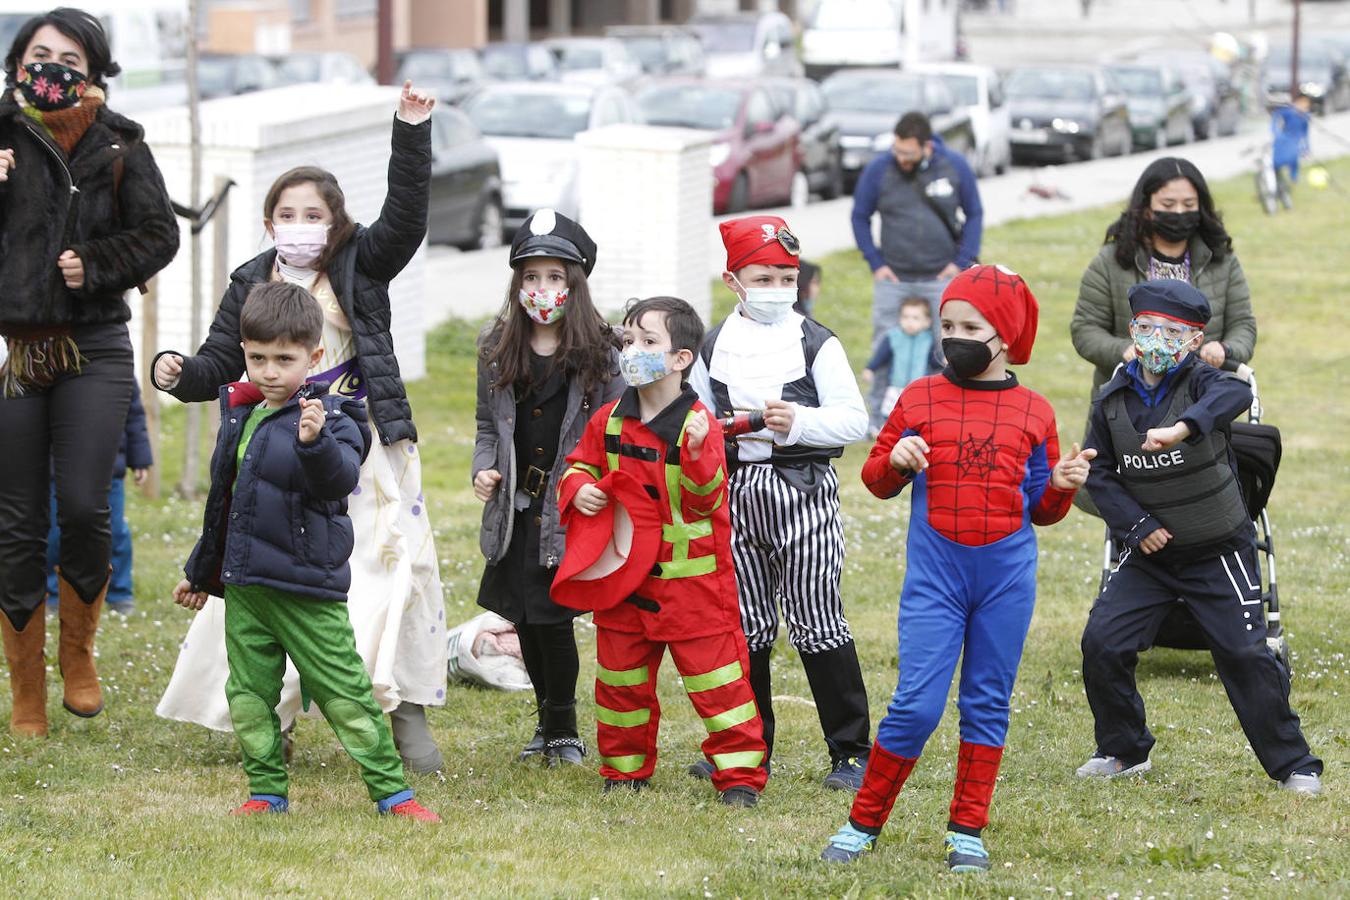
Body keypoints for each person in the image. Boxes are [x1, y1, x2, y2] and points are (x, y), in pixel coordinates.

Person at [152, 81, 447, 773]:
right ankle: (268, 716)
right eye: (287, 213)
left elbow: (405, 220)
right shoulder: (251, 277)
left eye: (313, 213)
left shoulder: (359, 263)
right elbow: (222, 359)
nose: (299, 223)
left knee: (389, 569)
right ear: (268, 222)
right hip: (276, 448)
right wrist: (178, 372)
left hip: (361, 444)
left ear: (337, 221)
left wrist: (409, 130)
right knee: (266, 571)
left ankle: (402, 711)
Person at [819, 265, 1093, 872]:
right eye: (947, 325)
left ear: (1006, 335)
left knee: (987, 701)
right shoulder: (918, 397)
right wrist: (896, 460)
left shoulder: (1035, 412)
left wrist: (1065, 488)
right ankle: (863, 822)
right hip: (936, 581)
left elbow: (1041, 510)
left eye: (971, 325)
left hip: (1006, 581)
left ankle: (966, 827)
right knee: (916, 704)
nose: (954, 336)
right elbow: (874, 481)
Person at [171, 281, 440, 822]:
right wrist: (202, 572)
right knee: (248, 696)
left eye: (284, 359)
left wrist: (314, 443)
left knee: (345, 695)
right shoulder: (239, 416)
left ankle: (394, 795)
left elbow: (337, 482)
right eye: (257, 358)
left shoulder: (337, 419)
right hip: (246, 590)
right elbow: (227, 503)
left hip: (306, 591)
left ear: (314, 357)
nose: (269, 371)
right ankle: (266, 792)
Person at [0, 7, 179, 738]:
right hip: (17, 352)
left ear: (94, 72)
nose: (51, 68)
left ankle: (79, 655)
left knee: (82, 503)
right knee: (15, 522)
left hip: (96, 346)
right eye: (39, 55)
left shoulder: (121, 144)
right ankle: (26, 693)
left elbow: (160, 233)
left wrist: (98, 265)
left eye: (68, 58)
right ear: (16, 64)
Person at [1076, 279, 1322, 794]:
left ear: (1193, 340)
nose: (1157, 339)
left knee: (1244, 654)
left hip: (1218, 553)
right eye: (1148, 327)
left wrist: (1183, 429)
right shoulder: (1111, 399)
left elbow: (1235, 392)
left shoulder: (1206, 383)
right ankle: (1124, 749)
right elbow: (1099, 474)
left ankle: (1293, 763)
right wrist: (1137, 527)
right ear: (1133, 330)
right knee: (1102, 642)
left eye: (1172, 331)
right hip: (1148, 554)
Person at [558, 296, 768, 807]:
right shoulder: (608, 420)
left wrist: (696, 455)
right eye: (628, 341)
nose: (633, 350)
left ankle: (739, 777)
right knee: (620, 684)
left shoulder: (700, 425)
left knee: (720, 685)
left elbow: (705, 501)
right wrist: (577, 487)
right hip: (625, 586)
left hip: (693, 590)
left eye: (649, 342)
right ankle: (624, 771)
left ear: (681, 358)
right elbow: (580, 465)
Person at [689, 216, 872, 791]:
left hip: (804, 491)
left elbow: (855, 419)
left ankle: (850, 749)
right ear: (733, 280)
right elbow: (693, 418)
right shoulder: (712, 345)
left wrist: (801, 422)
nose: (777, 287)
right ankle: (747, 745)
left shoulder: (816, 342)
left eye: (786, 276)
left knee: (817, 617)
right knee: (746, 624)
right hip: (737, 493)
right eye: (763, 276)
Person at [472, 209, 622, 766]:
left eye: (555, 277)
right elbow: (488, 427)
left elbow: (614, 429)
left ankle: (564, 728)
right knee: (525, 618)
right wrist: (483, 468)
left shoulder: (601, 353)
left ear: (574, 284)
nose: (542, 289)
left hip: (568, 506)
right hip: (517, 506)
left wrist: (596, 486)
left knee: (555, 618)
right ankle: (546, 721)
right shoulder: (495, 346)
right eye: (531, 277)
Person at [1070, 156, 1256, 513]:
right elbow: (1084, 329)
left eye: (1189, 205)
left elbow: (1245, 325)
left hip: (1197, 395)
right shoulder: (1111, 261)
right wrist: (1125, 350)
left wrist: (1226, 348)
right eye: (1168, 205)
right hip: (1132, 398)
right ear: (1146, 208)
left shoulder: (1222, 261)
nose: (1179, 213)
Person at [851, 111, 983, 433]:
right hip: (893, 277)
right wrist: (876, 262)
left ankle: (943, 416)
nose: (901, 159)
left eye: (908, 154)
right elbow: (859, 216)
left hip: (940, 277)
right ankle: (878, 419)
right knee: (885, 343)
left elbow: (975, 213)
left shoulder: (953, 165)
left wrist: (961, 262)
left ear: (926, 147)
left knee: (945, 346)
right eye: (897, 151)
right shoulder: (880, 169)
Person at [45, 380, 153, 616]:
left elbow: (134, 415)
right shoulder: (54, 364)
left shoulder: (118, 368)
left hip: (107, 469)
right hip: (59, 470)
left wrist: (140, 458)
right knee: (54, 535)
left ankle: (120, 593)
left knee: (115, 533)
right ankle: (51, 594)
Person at [862, 295, 933, 418]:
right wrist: (870, 368)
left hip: (918, 388)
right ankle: (882, 430)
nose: (909, 322)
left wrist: (944, 361)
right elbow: (881, 356)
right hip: (896, 386)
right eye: (905, 317)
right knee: (891, 415)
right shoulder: (894, 337)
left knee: (916, 415)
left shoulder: (928, 340)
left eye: (915, 318)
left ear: (927, 322)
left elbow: (934, 360)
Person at [1271, 92, 1311, 185]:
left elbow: (1305, 134)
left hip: (1295, 142)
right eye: (1301, 103)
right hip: (1284, 139)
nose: (1303, 106)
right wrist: (1277, 133)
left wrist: (1307, 148)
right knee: (1277, 162)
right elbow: (1276, 118)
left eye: (1306, 105)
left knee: (1293, 160)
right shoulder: (1288, 112)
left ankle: (1294, 179)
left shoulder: (1305, 117)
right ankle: (1276, 180)